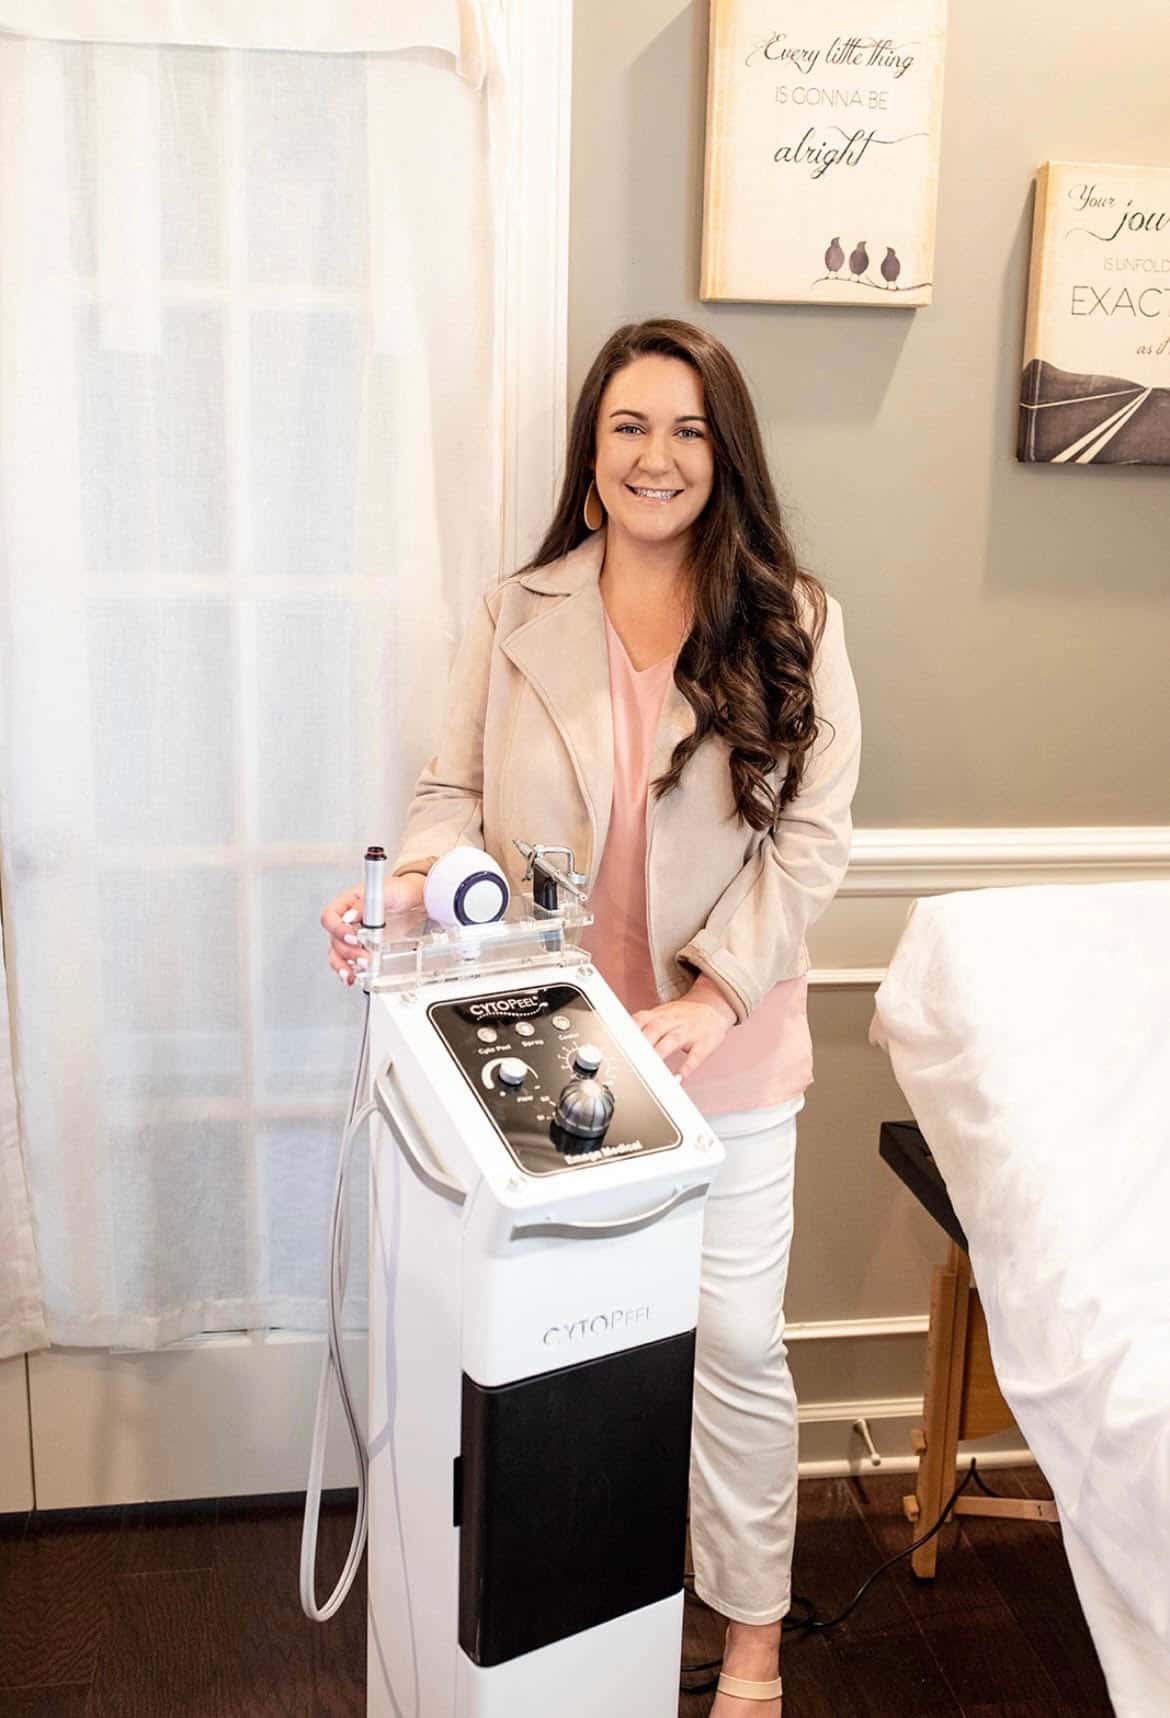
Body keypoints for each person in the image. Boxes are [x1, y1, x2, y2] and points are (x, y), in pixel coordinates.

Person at [321, 318, 861, 1715]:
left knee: (731, 1345)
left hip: (724, 1059)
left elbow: (810, 844)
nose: (655, 456)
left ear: (721, 452)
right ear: (591, 450)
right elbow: (450, 795)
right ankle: (567, 1634)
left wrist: (713, 995)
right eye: (628, 425)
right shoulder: (517, 613)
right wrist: (413, 889)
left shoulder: (794, 619)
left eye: (686, 428)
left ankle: (748, 1639)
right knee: (562, 1356)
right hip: (551, 1058)